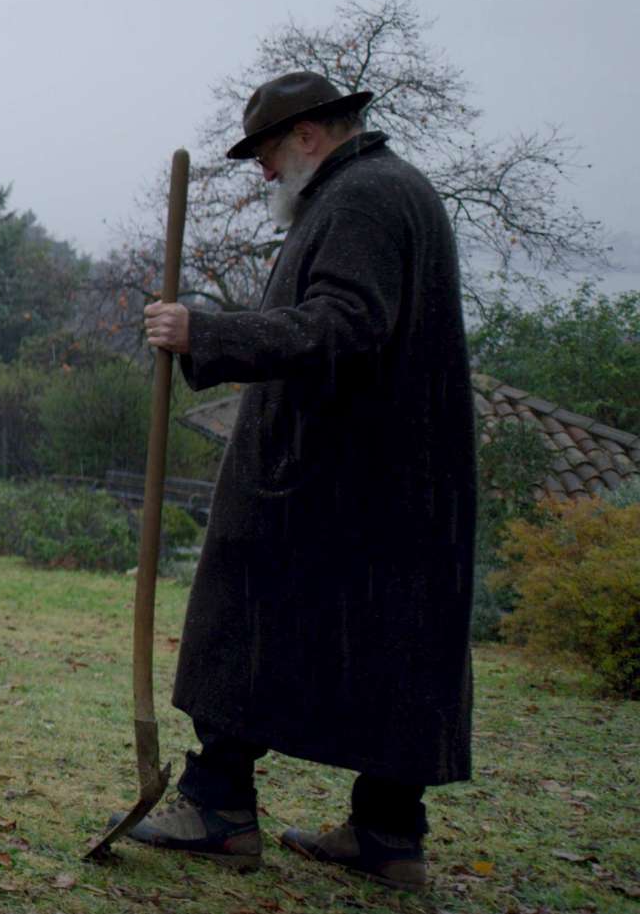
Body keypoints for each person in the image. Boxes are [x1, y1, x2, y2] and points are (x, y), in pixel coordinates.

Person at [134, 71, 476, 892]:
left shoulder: (362, 200)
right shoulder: (393, 192)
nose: (262, 171)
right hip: (389, 481)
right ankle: (389, 833)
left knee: (237, 613)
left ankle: (218, 805)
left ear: (312, 136)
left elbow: (346, 323)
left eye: (267, 151)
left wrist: (203, 332)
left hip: (333, 479)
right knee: (395, 645)